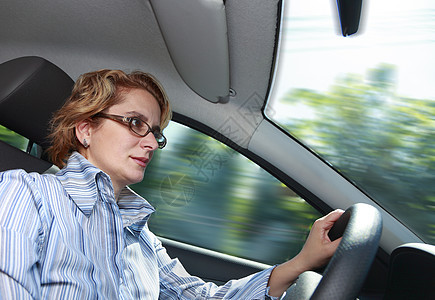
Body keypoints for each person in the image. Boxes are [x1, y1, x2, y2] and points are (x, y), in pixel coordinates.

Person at [0, 69, 343, 299]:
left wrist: (300, 263)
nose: (150, 143)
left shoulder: (138, 232)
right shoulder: (24, 194)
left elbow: (198, 296)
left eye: (155, 132)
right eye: (135, 123)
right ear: (86, 129)